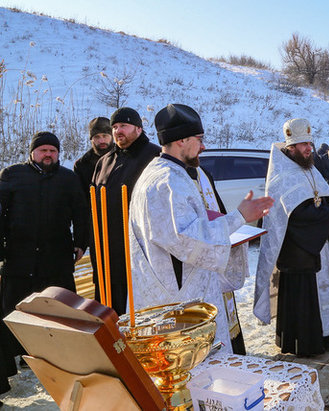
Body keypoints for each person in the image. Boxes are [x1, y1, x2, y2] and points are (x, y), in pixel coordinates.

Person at [129, 104, 272, 354]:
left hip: (170, 293)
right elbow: (188, 241)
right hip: (180, 304)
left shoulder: (161, 172)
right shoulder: (168, 181)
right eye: (199, 139)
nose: (203, 146)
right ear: (182, 140)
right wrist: (240, 217)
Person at [0, 132, 89, 392]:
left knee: (59, 311)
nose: (48, 154)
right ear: (32, 153)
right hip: (19, 258)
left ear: (58, 153)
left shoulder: (68, 179)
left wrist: (81, 242)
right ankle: (12, 362)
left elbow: (81, 213)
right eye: (43, 151)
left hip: (56, 259)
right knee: (11, 311)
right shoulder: (12, 175)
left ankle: (60, 359)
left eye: (52, 150)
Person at [254, 118, 329, 356]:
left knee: (322, 292)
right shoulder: (281, 175)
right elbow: (291, 216)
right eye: (303, 144)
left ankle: (328, 335)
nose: (308, 149)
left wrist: (325, 209)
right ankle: (305, 342)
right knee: (303, 297)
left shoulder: (310, 168)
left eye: (310, 144)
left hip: (317, 246)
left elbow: (324, 198)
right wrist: (324, 214)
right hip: (297, 249)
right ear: (291, 147)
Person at [92, 107, 160, 315]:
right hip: (106, 248)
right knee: (109, 305)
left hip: (138, 247)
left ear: (138, 129)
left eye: (124, 126)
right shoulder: (105, 161)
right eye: (114, 127)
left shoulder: (154, 156)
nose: (118, 131)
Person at [73, 117, 114, 199]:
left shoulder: (123, 159)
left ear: (112, 136)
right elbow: (78, 197)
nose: (101, 141)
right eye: (97, 137)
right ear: (91, 139)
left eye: (105, 136)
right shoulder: (81, 165)